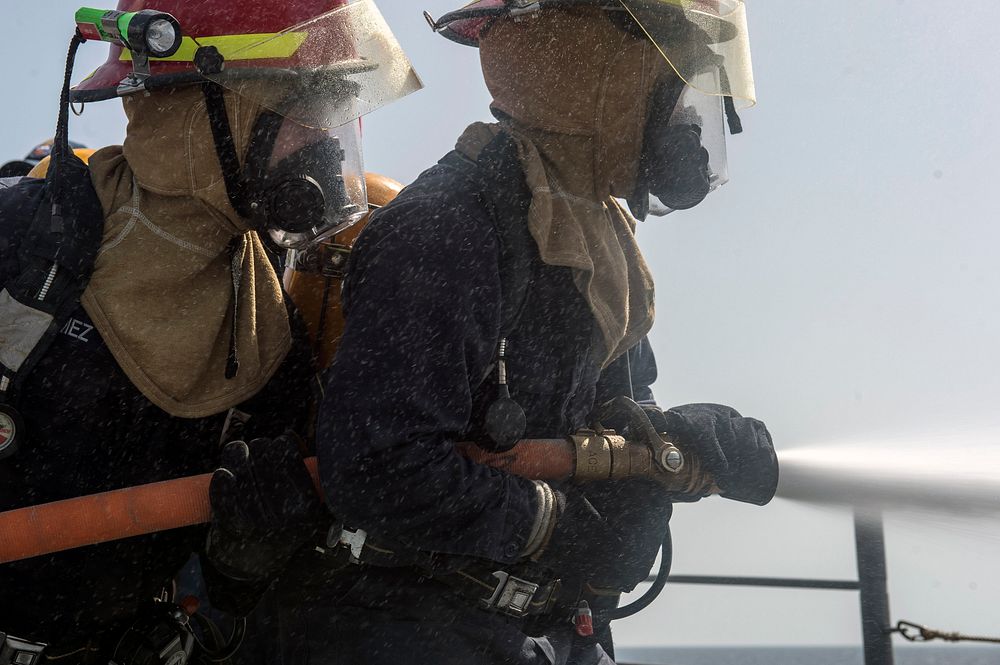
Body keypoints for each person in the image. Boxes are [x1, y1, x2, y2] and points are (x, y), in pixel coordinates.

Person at [207, 1, 778, 664]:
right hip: (402, 631)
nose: (689, 121)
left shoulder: (595, 242)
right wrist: (557, 526)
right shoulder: (447, 227)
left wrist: (666, 444)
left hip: (540, 630)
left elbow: (617, 406)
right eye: (675, 74)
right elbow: (380, 467)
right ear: (604, 69)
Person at [0, 0, 419, 662]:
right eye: (305, 103)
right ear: (195, 109)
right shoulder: (20, 245)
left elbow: (225, 598)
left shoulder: (268, 337)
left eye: (337, 110)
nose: (329, 141)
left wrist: (246, 562)